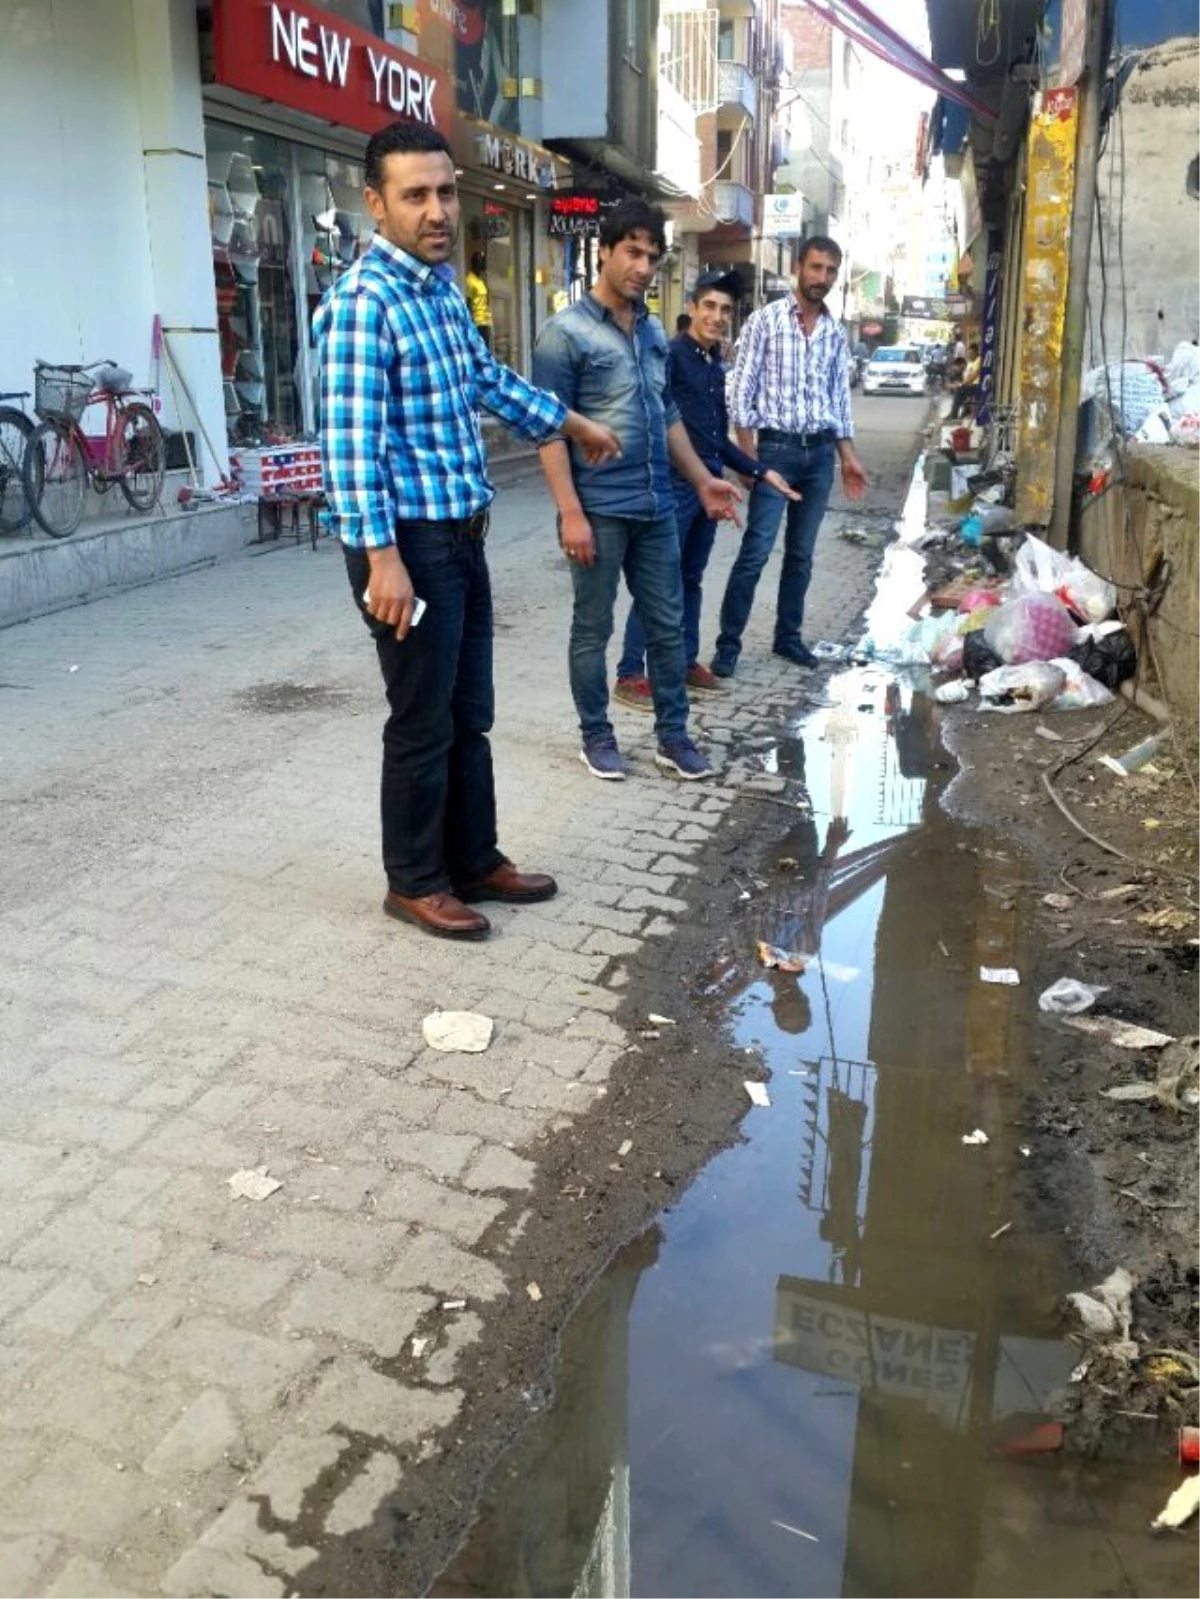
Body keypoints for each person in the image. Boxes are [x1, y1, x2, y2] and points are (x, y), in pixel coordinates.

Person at [315, 120, 620, 942]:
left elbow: (482, 377)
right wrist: (382, 558)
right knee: (421, 718)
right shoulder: (362, 303)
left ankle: (473, 858)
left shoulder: (442, 287)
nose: (438, 209)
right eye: (416, 195)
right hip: (407, 548)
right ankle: (414, 880)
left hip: (462, 537)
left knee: (469, 713)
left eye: (446, 191)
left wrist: (569, 421)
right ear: (376, 204)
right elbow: (349, 450)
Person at [533, 200, 741, 782]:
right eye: (633, 251)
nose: (644, 265)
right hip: (597, 510)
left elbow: (665, 411)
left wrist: (702, 480)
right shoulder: (565, 333)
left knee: (668, 623)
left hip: (655, 507)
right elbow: (547, 428)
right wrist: (569, 512)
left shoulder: (651, 329)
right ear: (603, 252)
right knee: (592, 627)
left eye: (652, 255)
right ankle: (596, 735)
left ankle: (672, 736)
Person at [613, 268, 799, 711]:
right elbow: (658, 423)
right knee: (659, 582)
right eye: (710, 307)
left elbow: (714, 437)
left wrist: (757, 469)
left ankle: (684, 660)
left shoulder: (714, 363)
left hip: (708, 488)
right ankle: (629, 673)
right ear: (692, 308)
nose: (717, 317)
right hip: (675, 488)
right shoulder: (671, 357)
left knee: (690, 579)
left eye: (725, 311)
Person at [712, 236, 869, 677]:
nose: (822, 278)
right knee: (756, 550)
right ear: (799, 267)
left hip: (819, 456)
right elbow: (741, 392)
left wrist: (848, 457)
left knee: (801, 554)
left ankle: (788, 638)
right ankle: (728, 644)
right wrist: (748, 459)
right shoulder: (765, 322)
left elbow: (839, 400)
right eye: (816, 267)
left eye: (831, 271)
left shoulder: (836, 334)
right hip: (775, 451)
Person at [464, 251, 492, 349]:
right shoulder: (469, 281)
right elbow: (468, 302)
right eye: (479, 263)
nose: (481, 266)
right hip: (476, 323)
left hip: (485, 321)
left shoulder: (480, 280)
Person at [950, 341, 982, 418]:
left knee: (959, 390)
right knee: (956, 389)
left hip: (976, 385)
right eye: (968, 353)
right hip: (969, 385)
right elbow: (966, 375)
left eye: (971, 353)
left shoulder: (979, 360)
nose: (969, 355)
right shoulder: (971, 362)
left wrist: (963, 384)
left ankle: (954, 415)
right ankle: (959, 413)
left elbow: (974, 375)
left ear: (976, 352)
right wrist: (960, 383)